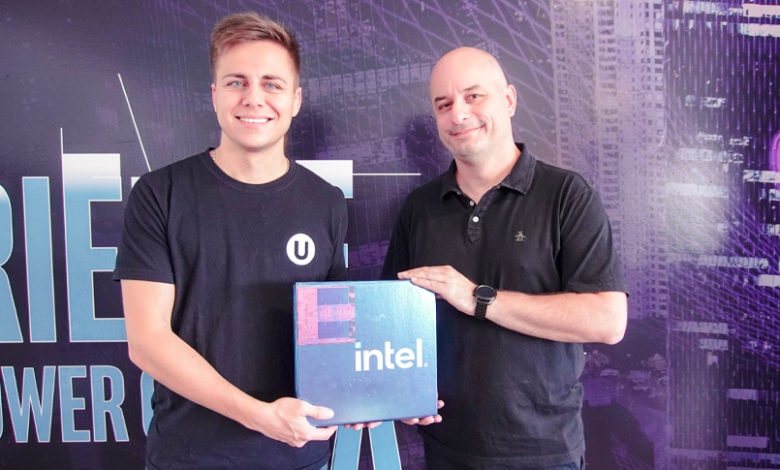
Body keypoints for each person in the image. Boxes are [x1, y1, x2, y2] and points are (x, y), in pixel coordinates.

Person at [114, 12, 347, 469]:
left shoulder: (326, 201)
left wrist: (371, 397)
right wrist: (259, 416)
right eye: (237, 82)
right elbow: (147, 340)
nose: (253, 98)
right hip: (191, 456)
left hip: (299, 455)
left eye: (272, 84)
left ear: (296, 100)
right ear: (215, 94)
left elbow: (334, 332)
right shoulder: (161, 194)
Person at [383, 46, 629, 469]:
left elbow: (608, 321)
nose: (459, 114)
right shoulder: (418, 208)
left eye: (474, 96)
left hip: (544, 452)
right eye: (444, 104)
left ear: (509, 99)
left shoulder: (566, 195)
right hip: (445, 449)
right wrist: (403, 391)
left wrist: (479, 299)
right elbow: (391, 319)